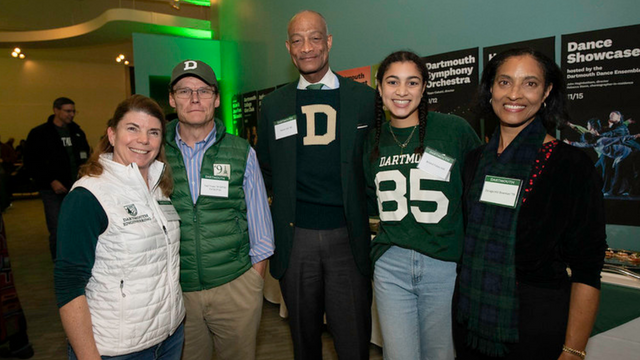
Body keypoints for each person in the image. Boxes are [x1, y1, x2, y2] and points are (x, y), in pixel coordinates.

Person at [453, 48, 607, 360]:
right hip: (471, 320)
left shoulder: (571, 166)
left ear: (547, 92)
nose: (515, 94)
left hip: (536, 330)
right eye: (505, 82)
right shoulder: (474, 161)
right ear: (491, 89)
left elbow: (587, 269)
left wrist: (574, 350)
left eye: (530, 84)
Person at [257, 10, 374, 360]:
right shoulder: (274, 105)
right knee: (303, 342)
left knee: (353, 341)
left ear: (329, 41)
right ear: (288, 48)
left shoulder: (365, 100)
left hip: (347, 238)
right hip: (296, 241)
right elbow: (264, 169)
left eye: (314, 37)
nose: (306, 47)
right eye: (297, 40)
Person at [363, 50, 480, 360]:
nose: (402, 92)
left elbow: (476, 194)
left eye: (412, 82)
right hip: (391, 265)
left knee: (439, 355)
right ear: (379, 87)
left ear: (425, 87)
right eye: (393, 82)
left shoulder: (454, 131)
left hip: (442, 263)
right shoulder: (372, 140)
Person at [55, 95, 185, 359]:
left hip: (169, 338)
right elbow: (69, 285)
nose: (144, 140)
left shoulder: (158, 188)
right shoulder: (88, 196)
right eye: (132, 129)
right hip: (119, 350)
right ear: (112, 134)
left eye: (153, 132)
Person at [164, 59, 274, 360]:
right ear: (172, 99)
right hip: (177, 291)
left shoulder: (241, 151)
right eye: (185, 91)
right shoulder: (155, 152)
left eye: (203, 90)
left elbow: (259, 219)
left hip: (235, 286)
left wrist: (254, 278)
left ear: (215, 97)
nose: (195, 98)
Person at [25, 97, 90, 261]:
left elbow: (85, 158)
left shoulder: (77, 132)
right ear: (56, 110)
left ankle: (77, 260)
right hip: (52, 190)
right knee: (57, 229)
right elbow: (32, 162)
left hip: (76, 188)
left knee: (77, 226)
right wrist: (51, 180)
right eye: (68, 111)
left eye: (74, 111)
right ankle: (60, 263)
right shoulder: (40, 134)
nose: (72, 114)